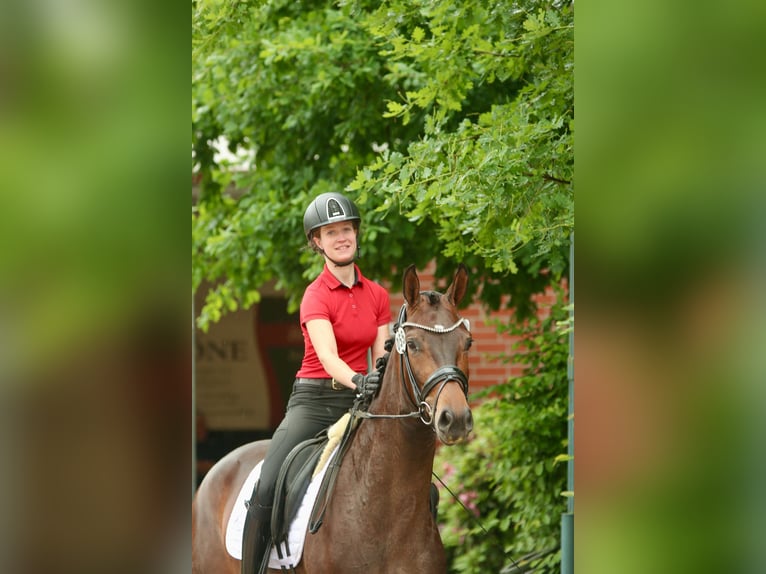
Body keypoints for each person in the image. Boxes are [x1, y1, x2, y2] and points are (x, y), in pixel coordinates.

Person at [241, 192, 391, 574]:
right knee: (269, 483)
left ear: (357, 234)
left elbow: (383, 354)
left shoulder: (377, 294)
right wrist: (361, 380)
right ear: (316, 242)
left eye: (347, 229)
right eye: (331, 232)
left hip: (360, 403)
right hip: (314, 401)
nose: (341, 238)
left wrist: (378, 383)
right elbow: (327, 357)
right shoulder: (315, 295)